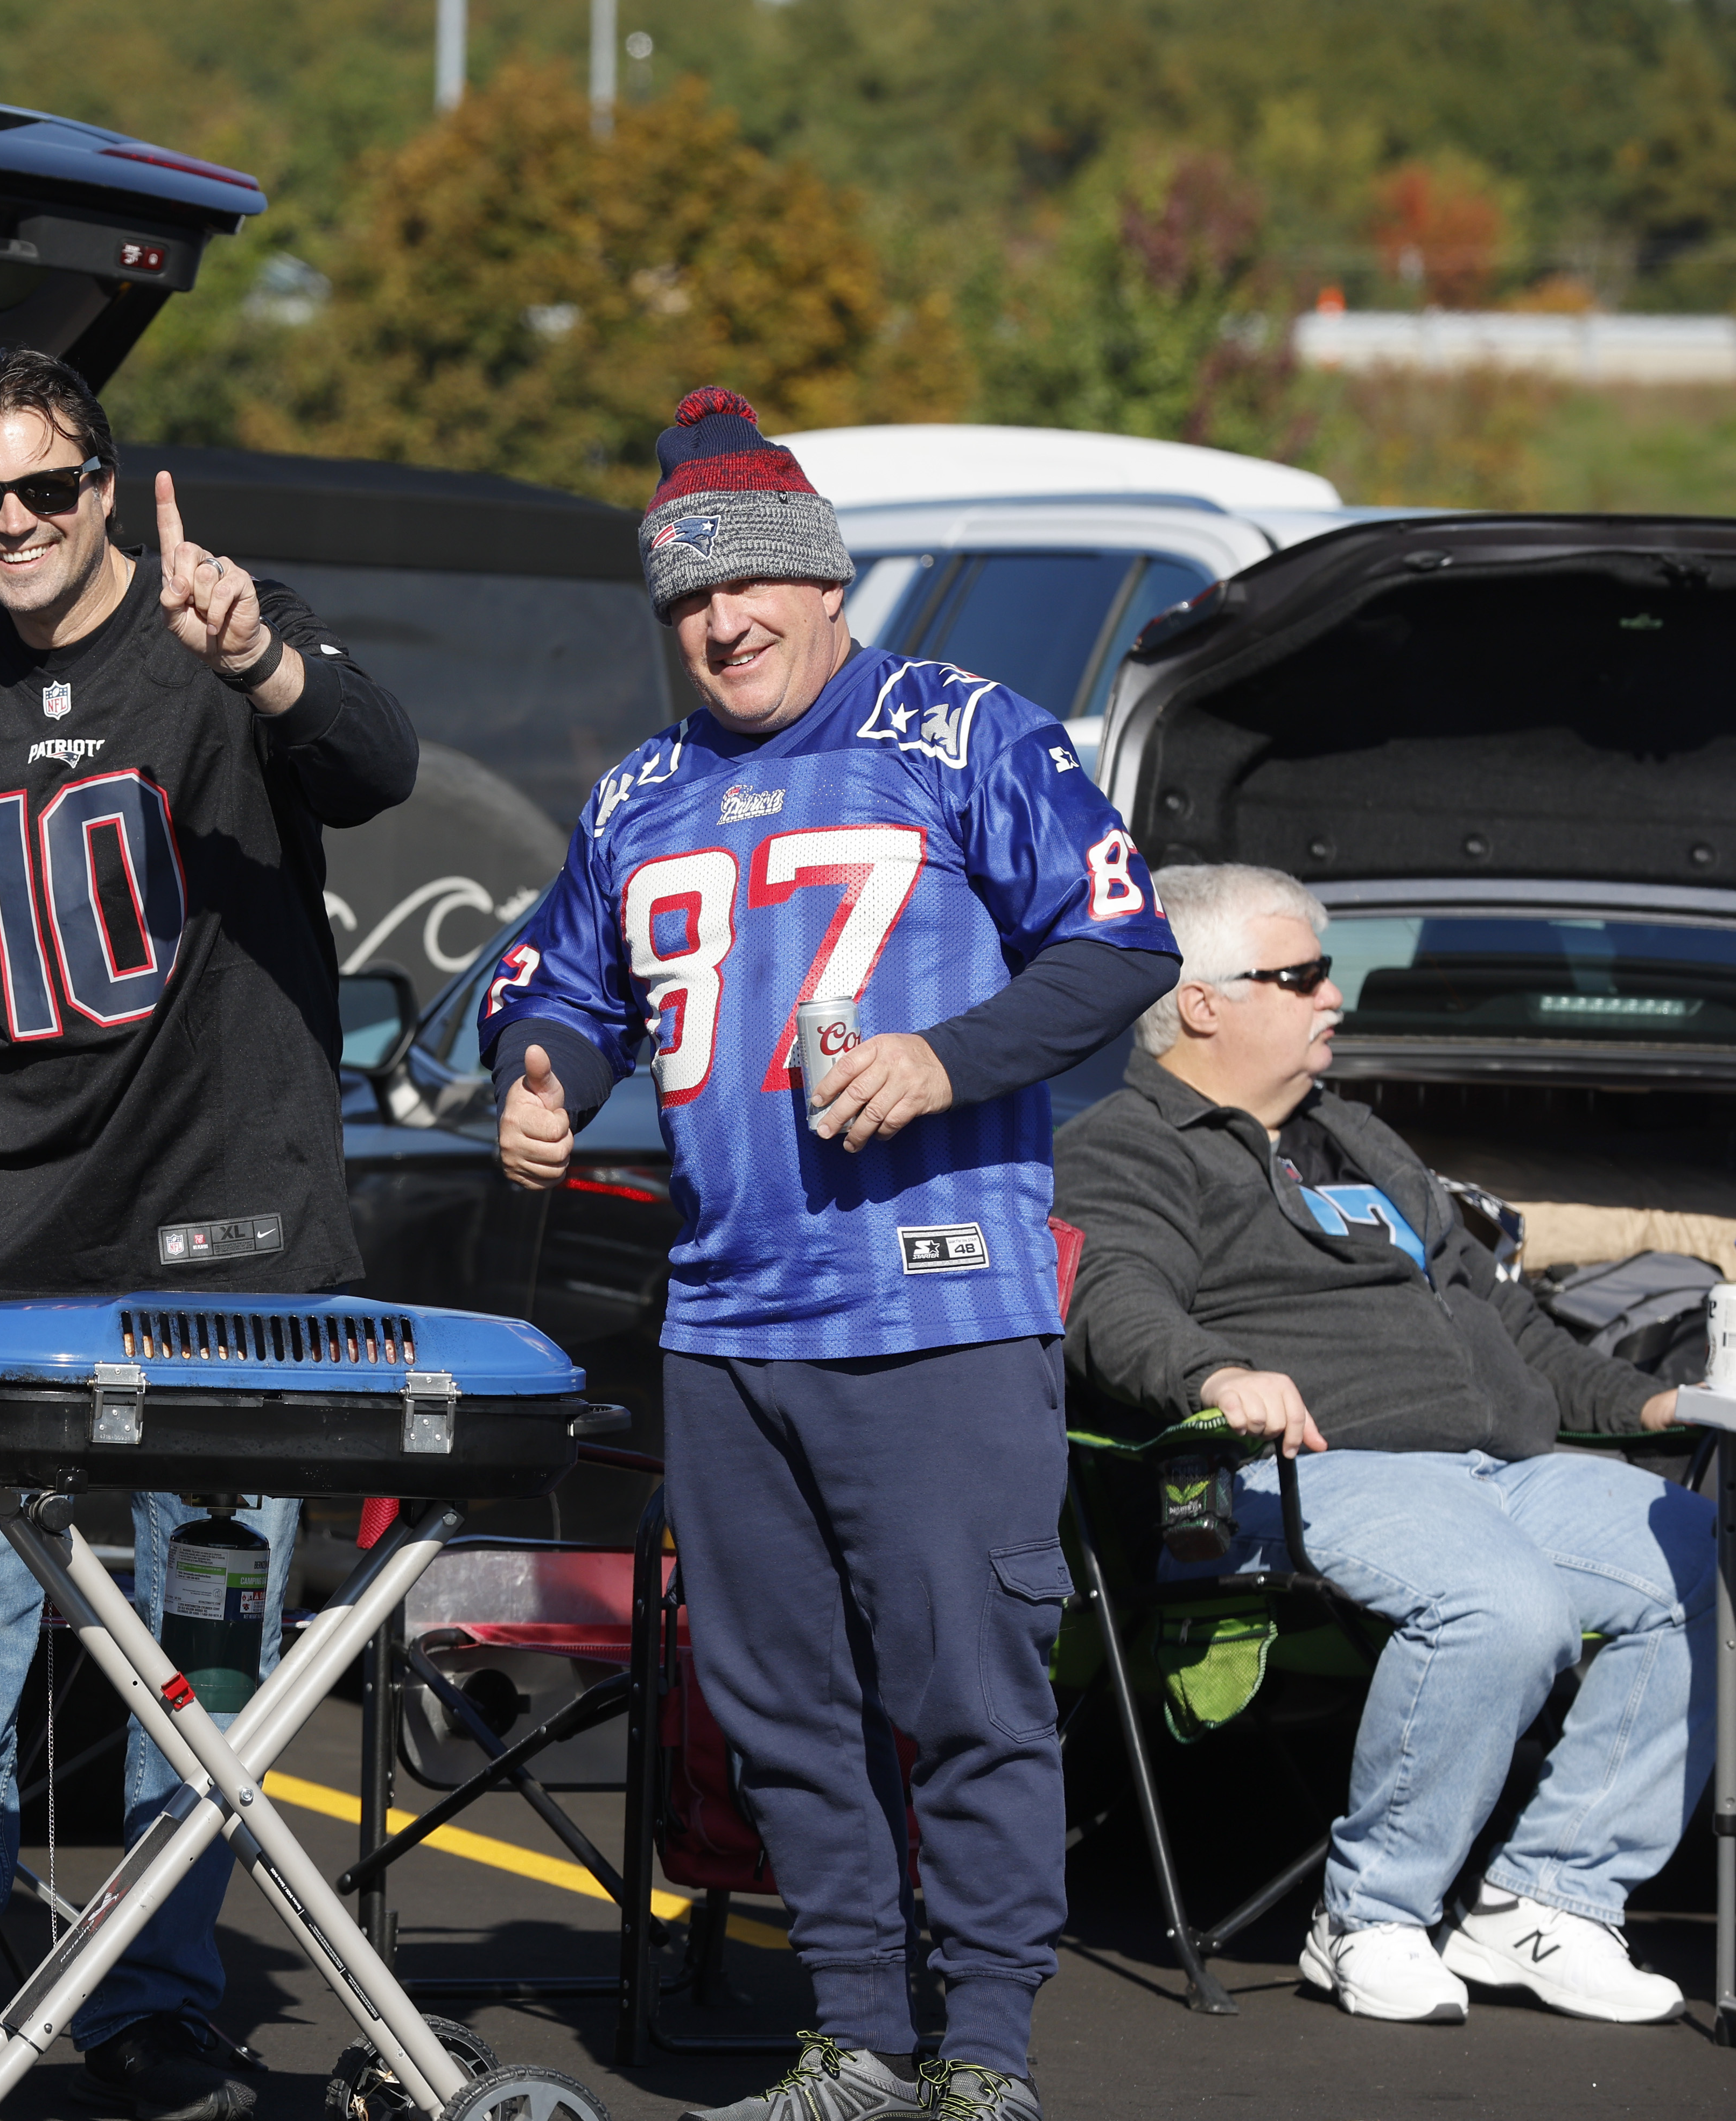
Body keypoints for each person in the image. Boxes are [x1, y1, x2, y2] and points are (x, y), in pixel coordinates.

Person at [485, 387, 1181, 2121]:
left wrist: (946, 1061)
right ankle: (856, 2042)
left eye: (750, 591)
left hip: (936, 1305)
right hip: (727, 1319)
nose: (720, 625)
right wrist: (546, 1081)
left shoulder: (961, 729)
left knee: (964, 1695)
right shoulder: (638, 789)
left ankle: (986, 2056)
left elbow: (1120, 945)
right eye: (685, 604)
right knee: (777, 1705)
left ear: (822, 583)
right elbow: (562, 985)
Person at [0, 344, 416, 2121]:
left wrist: (267, 663)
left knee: (204, 1640)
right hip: (8, 1255)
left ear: (100, 482)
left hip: (239, 1250)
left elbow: (375, 761)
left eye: (40, 490)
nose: (7, 525)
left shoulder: (221, 632)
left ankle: (157, 1998)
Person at [1054, 862, 1714, 2027]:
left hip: (1491, 1467)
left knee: (1698, 1551)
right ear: (1200, 1001)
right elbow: (1111, 1298)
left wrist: (1672, 1407)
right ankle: (1368, 1914)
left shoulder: (1353, 1136)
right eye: (1300, 975)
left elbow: (1509, 1332)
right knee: (1504, 1605)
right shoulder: (1127, 1143)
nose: (1332, 998)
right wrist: (1213, 1373)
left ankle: (1547, 1897)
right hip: (1294, 1473)